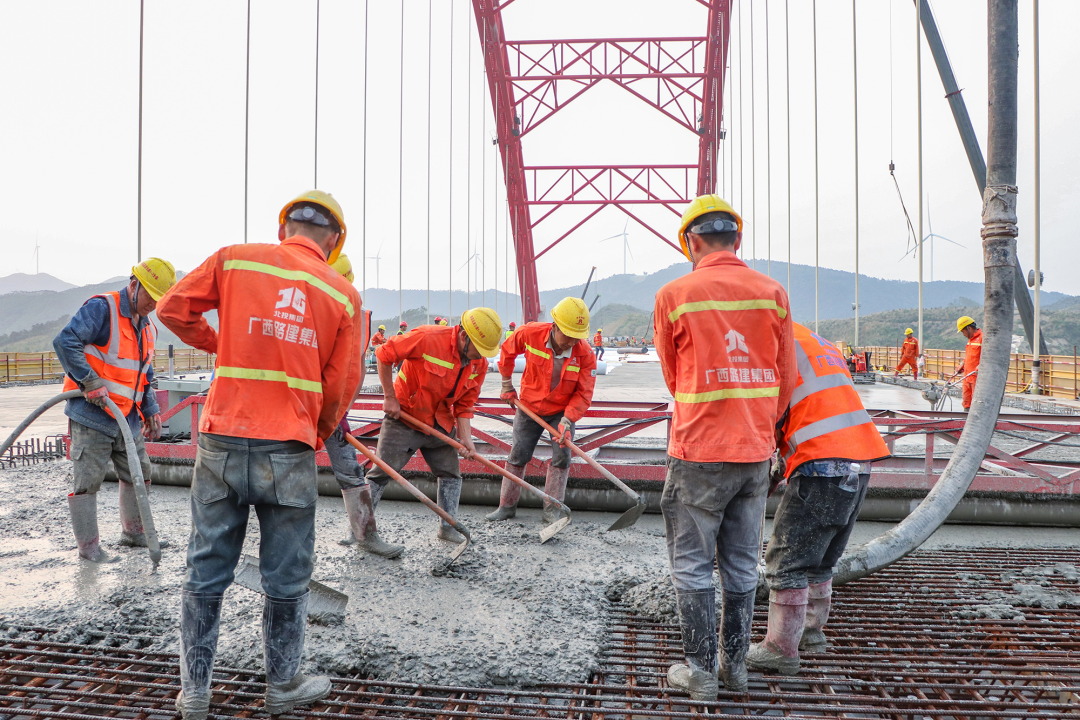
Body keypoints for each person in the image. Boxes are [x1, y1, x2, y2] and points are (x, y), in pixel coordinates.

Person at [157, 190, 362, 720]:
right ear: (334, 241)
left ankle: (196, 693)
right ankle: (283, 684)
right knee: (287, 578)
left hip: (222, 438)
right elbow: (341, 385)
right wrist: (314, 431)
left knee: (205, 571)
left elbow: (171, 308)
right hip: (288, 446)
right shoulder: (342, 295)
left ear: (283, 228)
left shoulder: (235, 258)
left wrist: (218, 344)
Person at [653, 194, 796, 701]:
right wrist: (758, 428)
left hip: (697, 450)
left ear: (691, 241)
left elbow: (674, 377)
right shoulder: (772, 292)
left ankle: (700, 674)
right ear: (737, 237)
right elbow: (786, 378)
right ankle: (735, 668)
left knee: (692, 565)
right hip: (755, 452)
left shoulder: (676, 294)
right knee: (740, 565)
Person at [746, 322, 890, 675]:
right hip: (860, 459)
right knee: (822, 558)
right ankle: (811, 633)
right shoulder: (815, 342)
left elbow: (768, 412)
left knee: (787, 560)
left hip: (821, 462)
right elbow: (808, 405)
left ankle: (780, 648)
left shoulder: (770, 342)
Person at [53, 258, 177, 563]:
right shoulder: (102, 309)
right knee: (88, 480)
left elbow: (145, 374)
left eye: (158, 299)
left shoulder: (149, 329)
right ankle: (89, 548)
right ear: (133, 285)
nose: (152, 304)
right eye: (149, 295)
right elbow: (65, 341)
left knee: (139, 473)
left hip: (128, 417)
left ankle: (134, 533)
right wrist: (88, 380)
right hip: (92, 413)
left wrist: (150, 410)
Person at [367, 307, 501, 541]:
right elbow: (383, 355)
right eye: (478, 350)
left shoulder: (478, 363)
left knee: (451, 474)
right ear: (463, 336)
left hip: (439, 421)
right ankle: (362, 530)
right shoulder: (427, 337)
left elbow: (465, 404)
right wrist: (389, 397)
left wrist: (465, 438)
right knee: (381, 473)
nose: (480, 357)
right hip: (404, 416)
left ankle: (448, 528)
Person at [487, 297, 597, 524]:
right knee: (518, 454)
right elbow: (507, 352)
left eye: (576, 337)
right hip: (529, 407)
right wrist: (506, 384)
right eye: (567, 335)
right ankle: (506, 506)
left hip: (562, 412)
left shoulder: (585, 354)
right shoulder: (530, 333)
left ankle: (552, 510)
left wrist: (568, 420)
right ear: (554, 326)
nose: (570, 342)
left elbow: (584, 393)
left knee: (562, 456)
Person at [952, 315, 982, 410]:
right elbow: (970, 356)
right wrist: (962, 365)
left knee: (976, 404)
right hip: (967, 377)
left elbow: (987, 358)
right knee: (966, 402)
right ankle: (965, 420)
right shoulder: (970, 341)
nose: (963, 334)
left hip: (976, 378)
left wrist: (980, 367)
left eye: (963, 331)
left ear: (969, 328)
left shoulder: (983, 339)